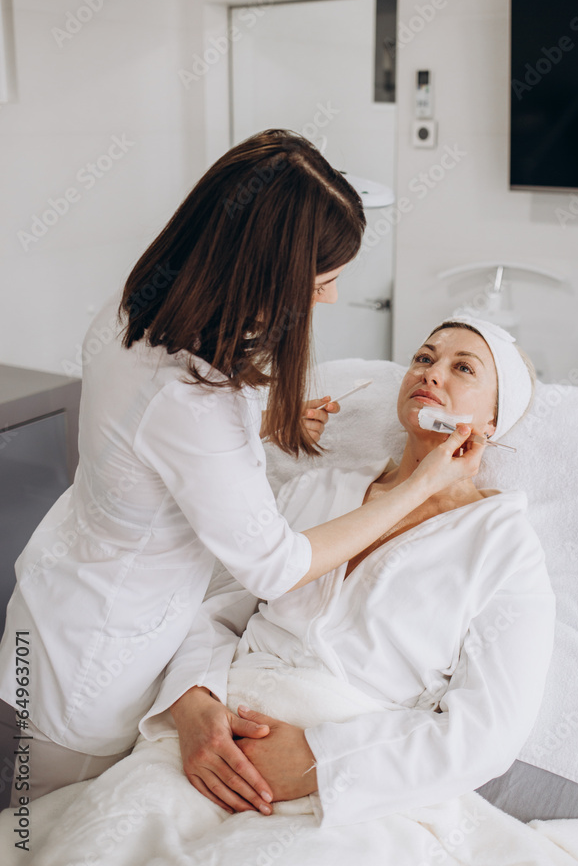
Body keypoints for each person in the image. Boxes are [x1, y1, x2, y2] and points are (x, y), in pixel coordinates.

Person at [0, 131, 482, 810]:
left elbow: (146, 435)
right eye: (322, 282)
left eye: (464, 368)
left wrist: (259, 426)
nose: (331, 299)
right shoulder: (198, 400)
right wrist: (419, 488)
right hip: (93, 666)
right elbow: (274, 568)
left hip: (52, 602)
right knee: (34, 831)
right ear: (266, 274)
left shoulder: (136, 311)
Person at [136, 315, 555, 825]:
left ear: (492, 421)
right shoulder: (317, 489)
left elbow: (488, 732)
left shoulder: (504, 546)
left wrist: (319, 762)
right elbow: (210, 610)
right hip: (210, 743)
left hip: (349, 790)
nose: (430, 372)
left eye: (463, 367)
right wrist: (193, 703)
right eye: (424, 358)